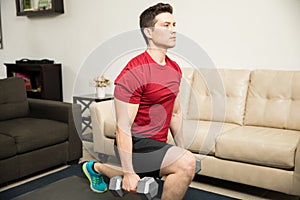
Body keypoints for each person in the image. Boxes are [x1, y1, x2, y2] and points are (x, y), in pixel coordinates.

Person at [82, 3, 196, 200]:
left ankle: (96, 167)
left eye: (174, 24)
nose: (174, 30)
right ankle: (119, 168)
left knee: (177, 160)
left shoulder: (174, 68)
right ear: (149, 32)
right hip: (136, 142)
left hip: (156, 143)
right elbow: (123, 127)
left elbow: (175, 112)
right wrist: (128, 172)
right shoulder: (134, 72)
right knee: (186, 164)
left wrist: (180, 147)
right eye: (166, 25)